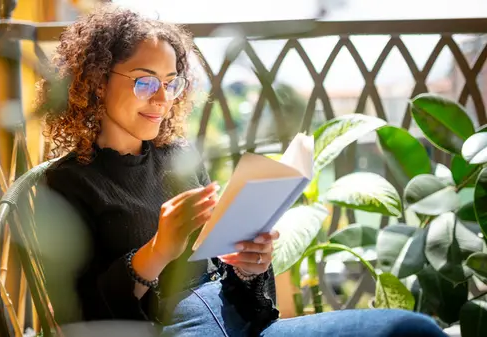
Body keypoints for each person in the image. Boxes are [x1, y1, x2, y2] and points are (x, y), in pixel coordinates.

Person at [36, 4, 448, 337]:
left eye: (172, 82)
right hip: (174, 328)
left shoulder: (177, 156)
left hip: (234, 318)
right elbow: (83, 317)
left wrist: (248, 266)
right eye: (145, 82)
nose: (162, 98)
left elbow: (222, 270)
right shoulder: (69, 183)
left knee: (410, 328)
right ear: (95, 83)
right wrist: (158, 251)